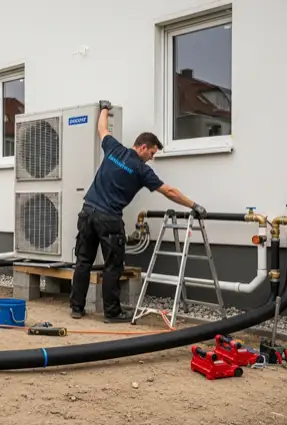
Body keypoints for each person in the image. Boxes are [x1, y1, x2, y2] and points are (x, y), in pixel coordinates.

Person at [69, 100, 207, 323]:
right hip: (108, 220)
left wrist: (104, 108)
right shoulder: (142, 170)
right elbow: (169, 191)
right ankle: (112, 313)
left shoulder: (113, 149)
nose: (151, 157)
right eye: (151, 153)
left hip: (87, 212)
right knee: (113, 266)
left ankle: (76, 308)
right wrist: (194, 205)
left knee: (83, 261)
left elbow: (101, 129)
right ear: (143, 147)